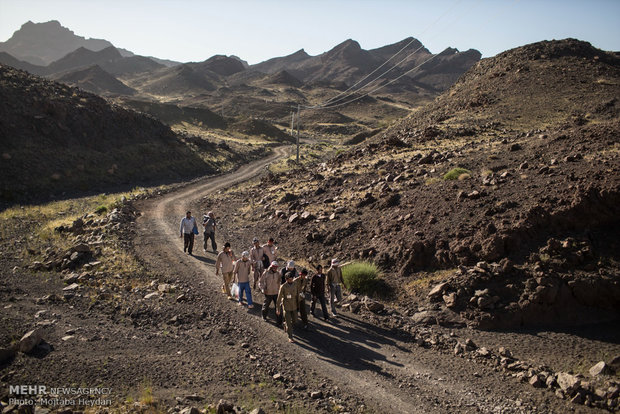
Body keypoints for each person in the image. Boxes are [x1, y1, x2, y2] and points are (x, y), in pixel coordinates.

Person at [276, 272, 300, 343]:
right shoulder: (283, 287)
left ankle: (285, 323)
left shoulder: (295, 285)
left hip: (294, 306)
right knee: (289, 323)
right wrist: (278, 308)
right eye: (289, 279)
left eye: (292, 279)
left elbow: (298, 294)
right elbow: (279, 298)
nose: (291, 280)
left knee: (295, 320)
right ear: (286, 279)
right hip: (286, 306)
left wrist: (299, 304)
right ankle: (290, 337)